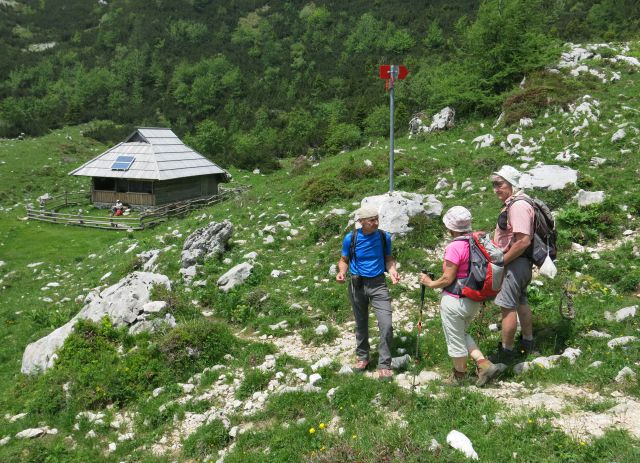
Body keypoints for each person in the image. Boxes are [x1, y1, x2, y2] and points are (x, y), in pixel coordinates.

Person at [419, 206, 506, 386]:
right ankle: (483, 364)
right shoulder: (477, 242)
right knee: (461, 333)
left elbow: (447, 277)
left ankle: (458, 377)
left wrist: (430, 283)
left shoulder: (455, 246)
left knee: (454, 339)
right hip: (473, 299)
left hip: (455, 300)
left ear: (450, 227)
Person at [336, 206, 400, 381]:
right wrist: (342, 272)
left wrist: (393, 271)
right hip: (357, 284)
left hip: (378, 283)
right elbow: (344, 260)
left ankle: (384, 364)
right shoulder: (351, 238)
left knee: (386, 324)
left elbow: (388, 259)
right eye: (371, 220)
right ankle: (363, 357)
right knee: (361, 322)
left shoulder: (383, 237)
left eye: (377, 219)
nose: (376, 222)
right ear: (361, 222)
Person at [489, 165, 537, 362]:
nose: (496, 189)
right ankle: (528, 342)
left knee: (507, 307)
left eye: (499, 184)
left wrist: (501, 262)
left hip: (514, 265)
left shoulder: (517, 206)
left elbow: (523, 241)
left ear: (511, 183)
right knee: (521, 302)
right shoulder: (519, 203)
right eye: (494, 185)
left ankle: (506, 353)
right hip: (521, 264)